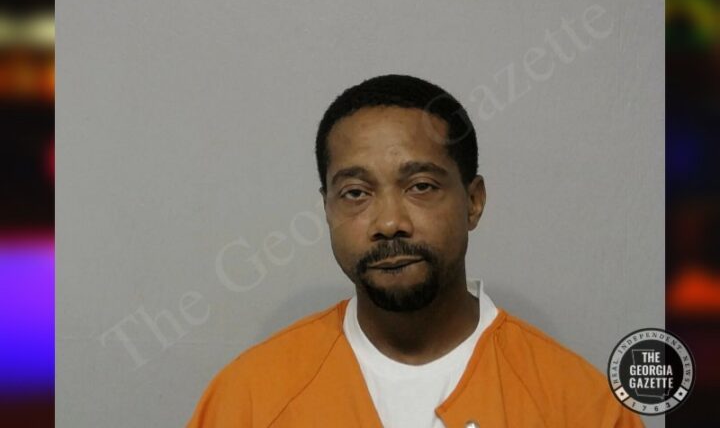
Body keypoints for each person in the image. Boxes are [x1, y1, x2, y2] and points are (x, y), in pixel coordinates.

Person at [187, 75, 643, 427]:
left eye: (420, 186)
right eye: (355, 193)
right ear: (326, 209)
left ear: (473, 201)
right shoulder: (248, 399)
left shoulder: (580, 405)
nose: (389, 223)